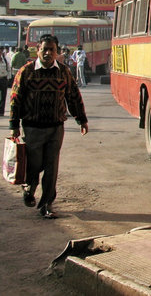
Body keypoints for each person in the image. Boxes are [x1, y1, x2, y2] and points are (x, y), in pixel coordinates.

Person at [9, 34, 88, 219]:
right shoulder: (26, 72)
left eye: (51, 49)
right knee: (35, 164)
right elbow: (15, 99)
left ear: (57, 52)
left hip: (56, 127)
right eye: (44, 49)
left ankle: (47, 204)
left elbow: (73, 96)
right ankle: (29, 188)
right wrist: (14, 125)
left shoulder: (63, 72)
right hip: (32, 128)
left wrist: (81, 119)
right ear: (38, 50)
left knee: (52, 166)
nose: (47, 53)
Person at [0, 47, 10, 116]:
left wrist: (8, 78)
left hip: (3, 79)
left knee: (3, 96)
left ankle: (1, 111)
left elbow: (9, 69)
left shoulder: (5, 59)